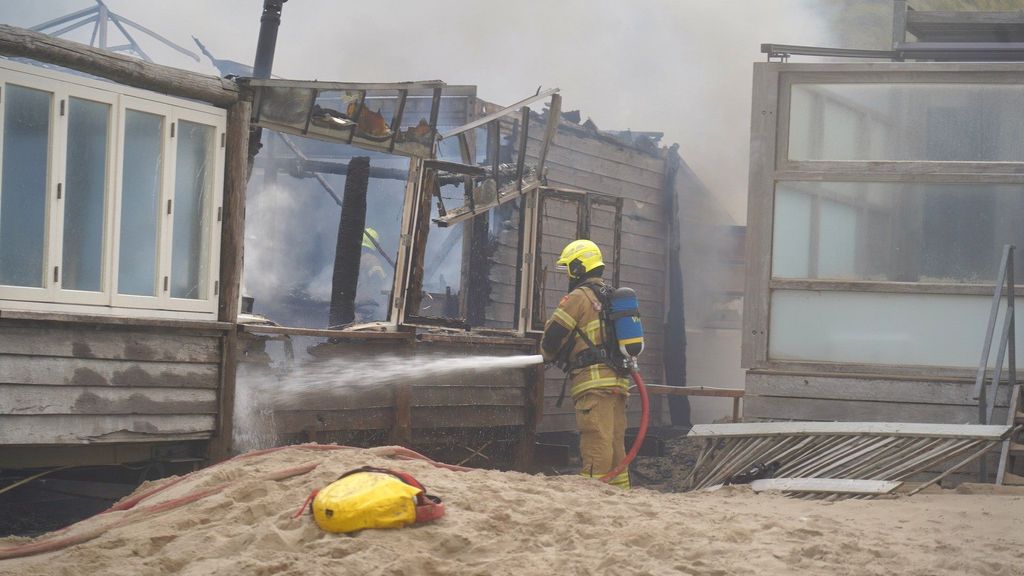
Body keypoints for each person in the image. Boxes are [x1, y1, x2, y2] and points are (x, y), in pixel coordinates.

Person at [540, 239, 630, 489]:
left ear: (579, 267)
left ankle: (594, 497)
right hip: (619, 382)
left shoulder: (579, 297)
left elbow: (553, 336)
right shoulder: (612, 296)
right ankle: (622, 496)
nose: (569, 274)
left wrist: (547, 356)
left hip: (593, 384)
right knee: (614, 444)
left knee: (595, 442)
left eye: (569, 267)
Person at [354, 227, 391, 322]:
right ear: (375, 244)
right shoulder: (371, 260)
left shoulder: (352, 257)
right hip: (365, 308)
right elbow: (380, 281)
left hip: (353, 307)